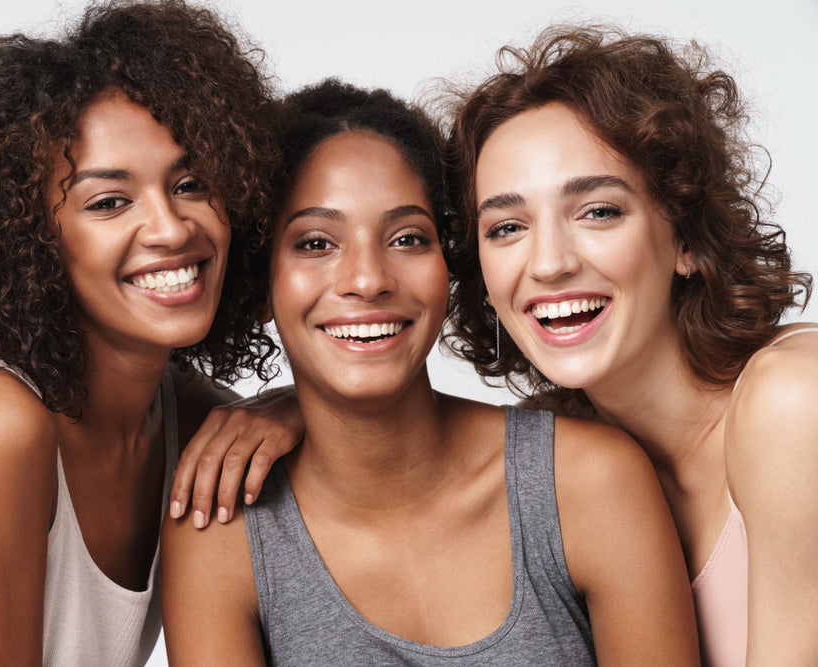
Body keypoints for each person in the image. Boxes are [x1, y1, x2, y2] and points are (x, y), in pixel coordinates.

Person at [0, 1, 302, 663]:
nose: (170, 227)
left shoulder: (194, 423)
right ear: (31, 237)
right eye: (109, 201)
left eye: (191, 183)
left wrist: (299, 409)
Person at [161, 79, 699, 665]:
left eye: (408, 238)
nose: (367, 279)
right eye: (316, 243)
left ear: (450, 269)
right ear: (260, 283)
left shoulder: (589, 483)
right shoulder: (221, 529)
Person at [445, 26, 817, 666]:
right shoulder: (564, 460)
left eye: (598, 211)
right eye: (507, 227)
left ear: (687, 239)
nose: (550, 264)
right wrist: (287, 410)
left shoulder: (792, 398)